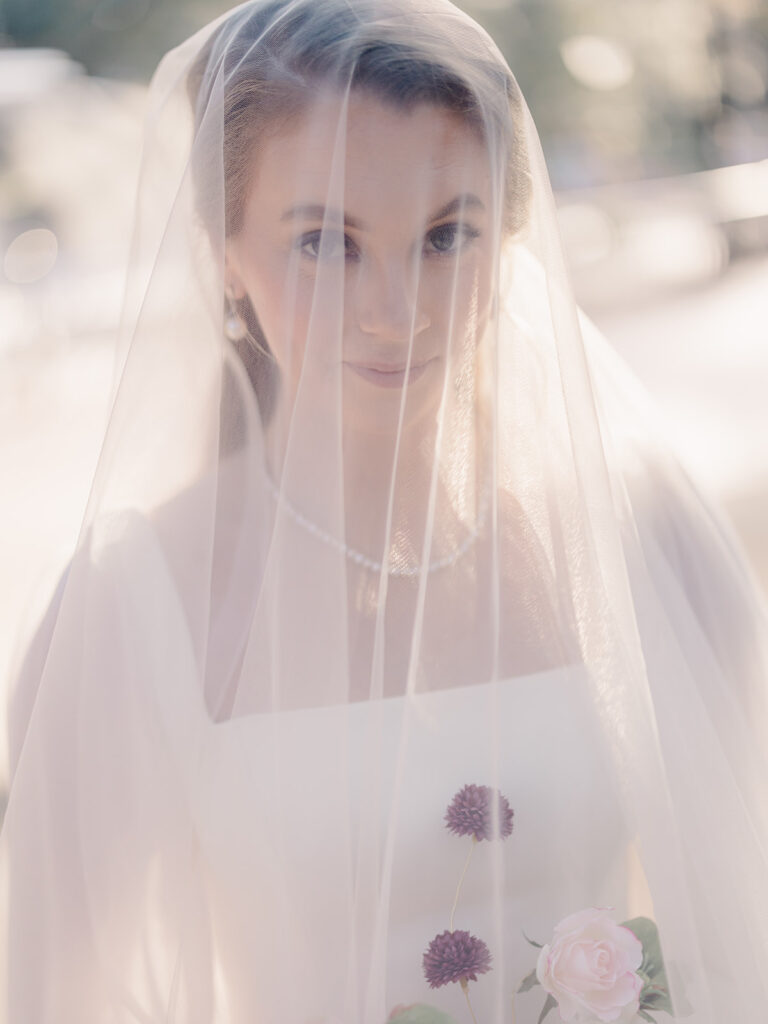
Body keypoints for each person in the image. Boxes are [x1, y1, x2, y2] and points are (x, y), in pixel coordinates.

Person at [2, 1, 768, 1022]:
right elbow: (59, 991)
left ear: (513, 239)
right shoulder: (133, 603)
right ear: (224, 251)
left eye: (448, 235)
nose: (395, 311)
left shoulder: (640, 531)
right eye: (325, 242)